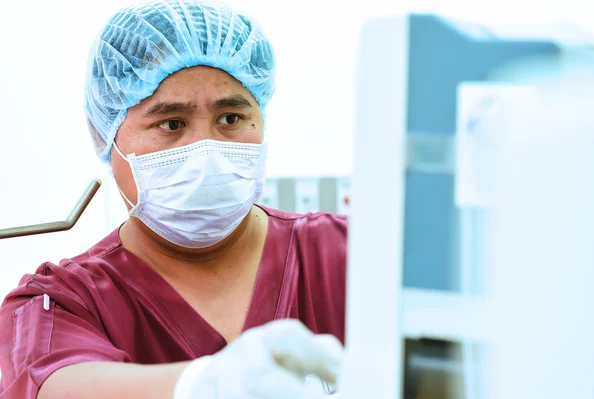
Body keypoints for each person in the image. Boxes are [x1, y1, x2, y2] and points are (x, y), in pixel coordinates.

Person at [0, 1, 347, 398]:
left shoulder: (351, 255)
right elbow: (55, 385)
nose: (207, 150)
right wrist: (206, 387)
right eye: (171, 124)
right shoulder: (62, 303)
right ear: (105, 135)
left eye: (231, 117)